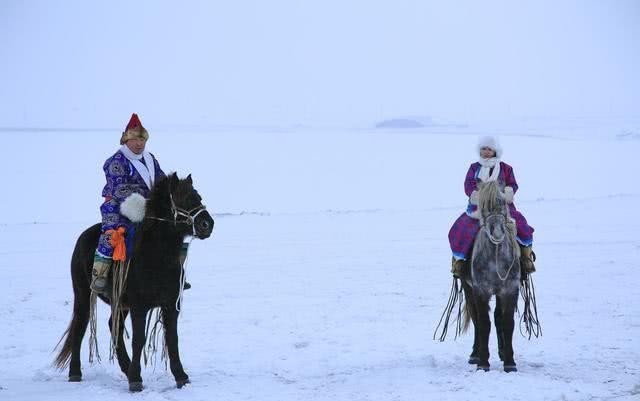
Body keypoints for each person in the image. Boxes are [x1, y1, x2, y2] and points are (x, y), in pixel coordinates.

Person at [90, 113, 191, 295]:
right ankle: (100, 275)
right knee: (114, 233)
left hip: (149, 206)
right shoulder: (116, 161)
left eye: (142, 140)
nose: (139, 144)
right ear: (126, 139)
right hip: (118, 206)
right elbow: (119, 188)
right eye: (135, 140)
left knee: (175, 230)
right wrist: (145, 199)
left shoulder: (150, 159)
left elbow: (160, 181)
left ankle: (175, 273)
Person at [448, 135, 536, 278]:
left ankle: (526, 259)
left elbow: (512, 184)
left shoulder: (506, 168)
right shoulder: (474, 168)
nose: (486, 152)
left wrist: (508, 192)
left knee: (522, 226)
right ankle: (459, 262)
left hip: (503, 208)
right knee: (460, 229)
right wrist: (474, 194)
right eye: (483, 148)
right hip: (478, 208)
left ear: (495, 151)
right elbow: (468, 184)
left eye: (489, 149)